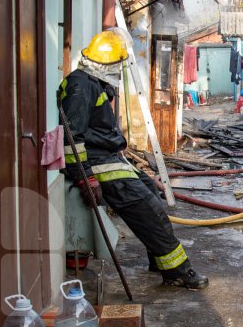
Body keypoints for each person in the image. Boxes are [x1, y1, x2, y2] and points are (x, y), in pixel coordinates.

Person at [60, 29, 209, 289]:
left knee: (150, 190)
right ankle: (177, 272)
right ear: (108, 62)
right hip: (98, 163)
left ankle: (159, 259)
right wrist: (87, 178)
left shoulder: (88, 82)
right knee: (149, 210)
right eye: (118, 63)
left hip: (108, 157)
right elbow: (72, 138)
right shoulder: (81, 86)